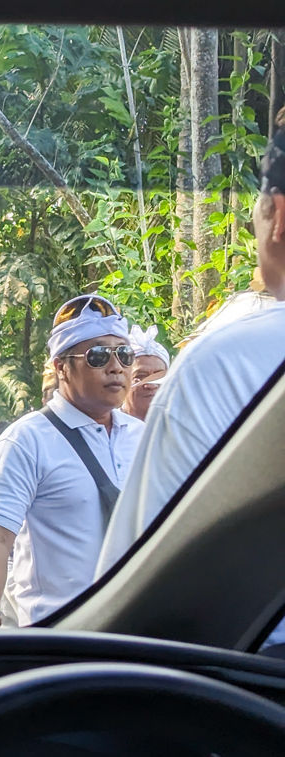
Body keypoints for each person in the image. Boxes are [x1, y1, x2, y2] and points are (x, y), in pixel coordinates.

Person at [98, 128, 285, 587]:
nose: (123, 373)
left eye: (124, 357)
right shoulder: (29, 440)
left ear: (277, 216)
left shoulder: (224, 365)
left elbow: (146, 588)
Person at [0, 295, 143, 628]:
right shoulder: (26, 440)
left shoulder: (143, 436)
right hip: (60, 632)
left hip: (138, 625)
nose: (115, 367)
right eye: (97, 356)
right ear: (62, 367)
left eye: (124, 354)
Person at [122, 324, 171, 422]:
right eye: (141, 376)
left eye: (159, 376)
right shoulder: (108, 429)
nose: (151, 386)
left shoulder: (179, 427)